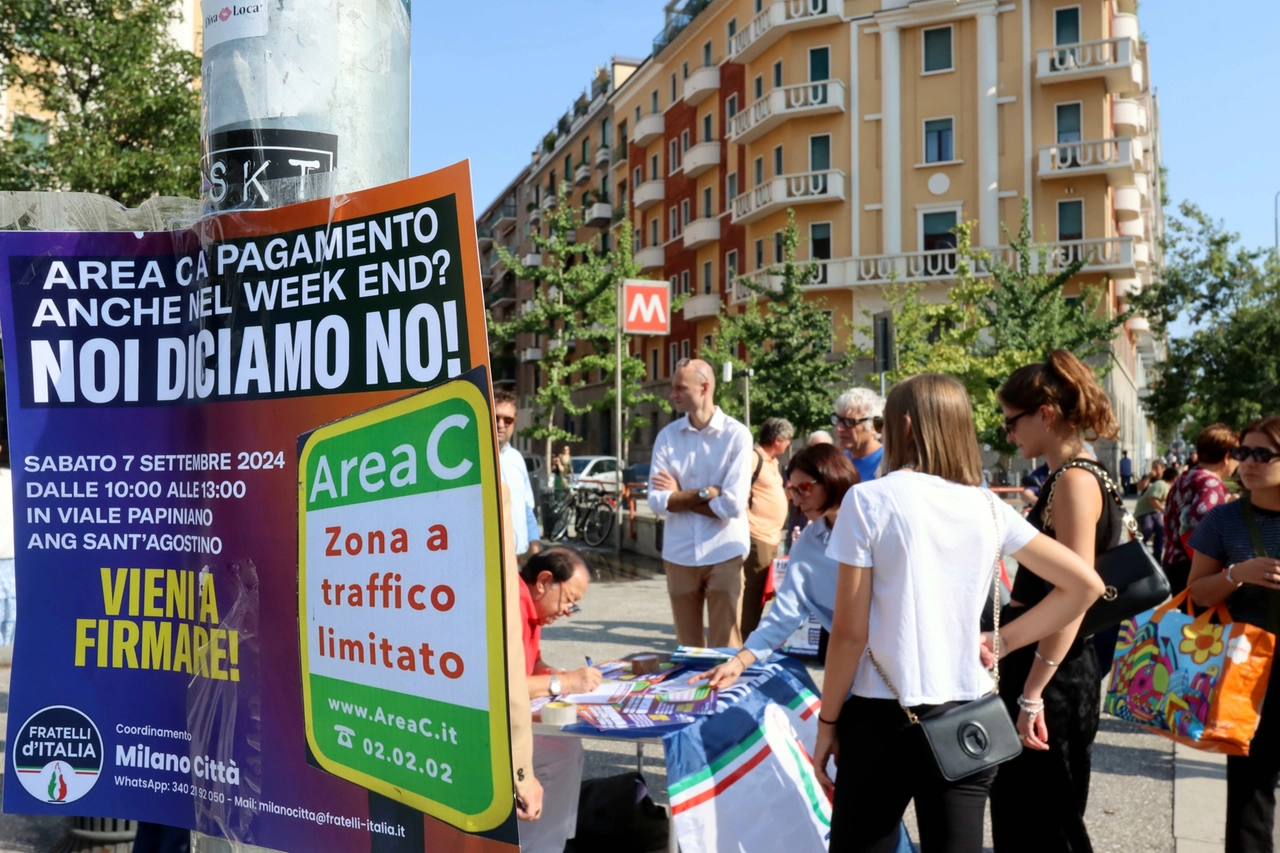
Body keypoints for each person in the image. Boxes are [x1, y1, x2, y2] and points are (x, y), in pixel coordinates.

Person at [811, 373, 1103, 852]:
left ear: (903, 425)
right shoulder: (986, 505)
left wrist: (827, 723)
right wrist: (1005, 640)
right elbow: (1085, 585)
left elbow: (848, 633)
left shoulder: (869, 500)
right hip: (966, 712)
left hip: (881, 711)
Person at [990, 349, 1125, 853]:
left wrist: (1031, 692)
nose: (1008, 434)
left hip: (1054, 670)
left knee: (1043, 826)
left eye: (1011, 422)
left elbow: (1075, 594)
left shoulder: (1073, 481)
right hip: (1058, 667)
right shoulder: (1083, 473)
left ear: (1044, 414)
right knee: (1039, 819)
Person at [1186, 416, 1280, 853]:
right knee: (1250, 793)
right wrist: (1236, 574)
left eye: (1264, 454)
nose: (1248, 462)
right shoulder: (1223, 520)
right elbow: (1197, 594)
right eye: (1244, 452)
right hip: (1247, 670)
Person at [694, 444, 858, 689]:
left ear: (832, 477)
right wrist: (739, 662)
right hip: (854, 667)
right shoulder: (808, 546)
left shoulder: (876, 525)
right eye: (791, 490)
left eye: (804, 488)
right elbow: (785, 614)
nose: (796, 500)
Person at [649, 358, 753, 647]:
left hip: (724, 552)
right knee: (687, 648)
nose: (672, 394)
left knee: (726, 646)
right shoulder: (667, 437)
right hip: (679, 554)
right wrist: (706, 493)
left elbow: (732, 505)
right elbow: (657, 501)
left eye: (680, 388)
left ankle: (726, 694)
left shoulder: (737, 436)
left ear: (704, 387)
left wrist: (680, 495)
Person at [517, 547, 602, 853]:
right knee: (559, 755)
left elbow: (532, 664)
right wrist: (563, 682)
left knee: (568, 744)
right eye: (569, 599)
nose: (568, 611)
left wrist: (555, 673)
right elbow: (505, 686)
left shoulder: (530, 610)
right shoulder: (511, 604)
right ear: (543, 581)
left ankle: (554, 842)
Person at [1162, 424, 1240, 595]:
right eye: (1238, 455)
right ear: (1227, 457)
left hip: (1174, 560)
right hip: (1193, 567)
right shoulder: (1211, 483)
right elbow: (1205, 526)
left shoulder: (1187, 476)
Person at [742, 417, 793, 636]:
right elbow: (740, 493)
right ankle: (745, 637)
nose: (789, 443)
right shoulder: (754, 459)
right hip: (757, 533)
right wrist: (748, 521)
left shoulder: (772, 461)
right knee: (754, 589)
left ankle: (750, 633)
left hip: (771, 535)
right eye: (788, 439)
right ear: (777, 440)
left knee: (764, 588)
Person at [495, 390, 542, 557]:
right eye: (495, 418)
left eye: (507, 420)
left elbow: (527, 509)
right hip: (489, 562)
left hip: (518, 561)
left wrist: (535, 554)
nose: (501, 424)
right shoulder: (472, 460)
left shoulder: (517, 459)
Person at [832, 387, 885, 483]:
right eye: (838, 420)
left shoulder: (889, 465)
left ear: (874, 425)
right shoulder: (837, 464)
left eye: (849, 422)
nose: (840, 428)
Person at [1135, 467, 1176, 557]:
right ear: (1175, 478)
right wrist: (1163, 511)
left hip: (1153, 511)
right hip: (1144, 512)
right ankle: (1139, 551)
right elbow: (1153, 499)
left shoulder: (1167, 486)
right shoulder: (1161, 484)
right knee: (1147, 530)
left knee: (1161, 530)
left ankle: (1157, 555)